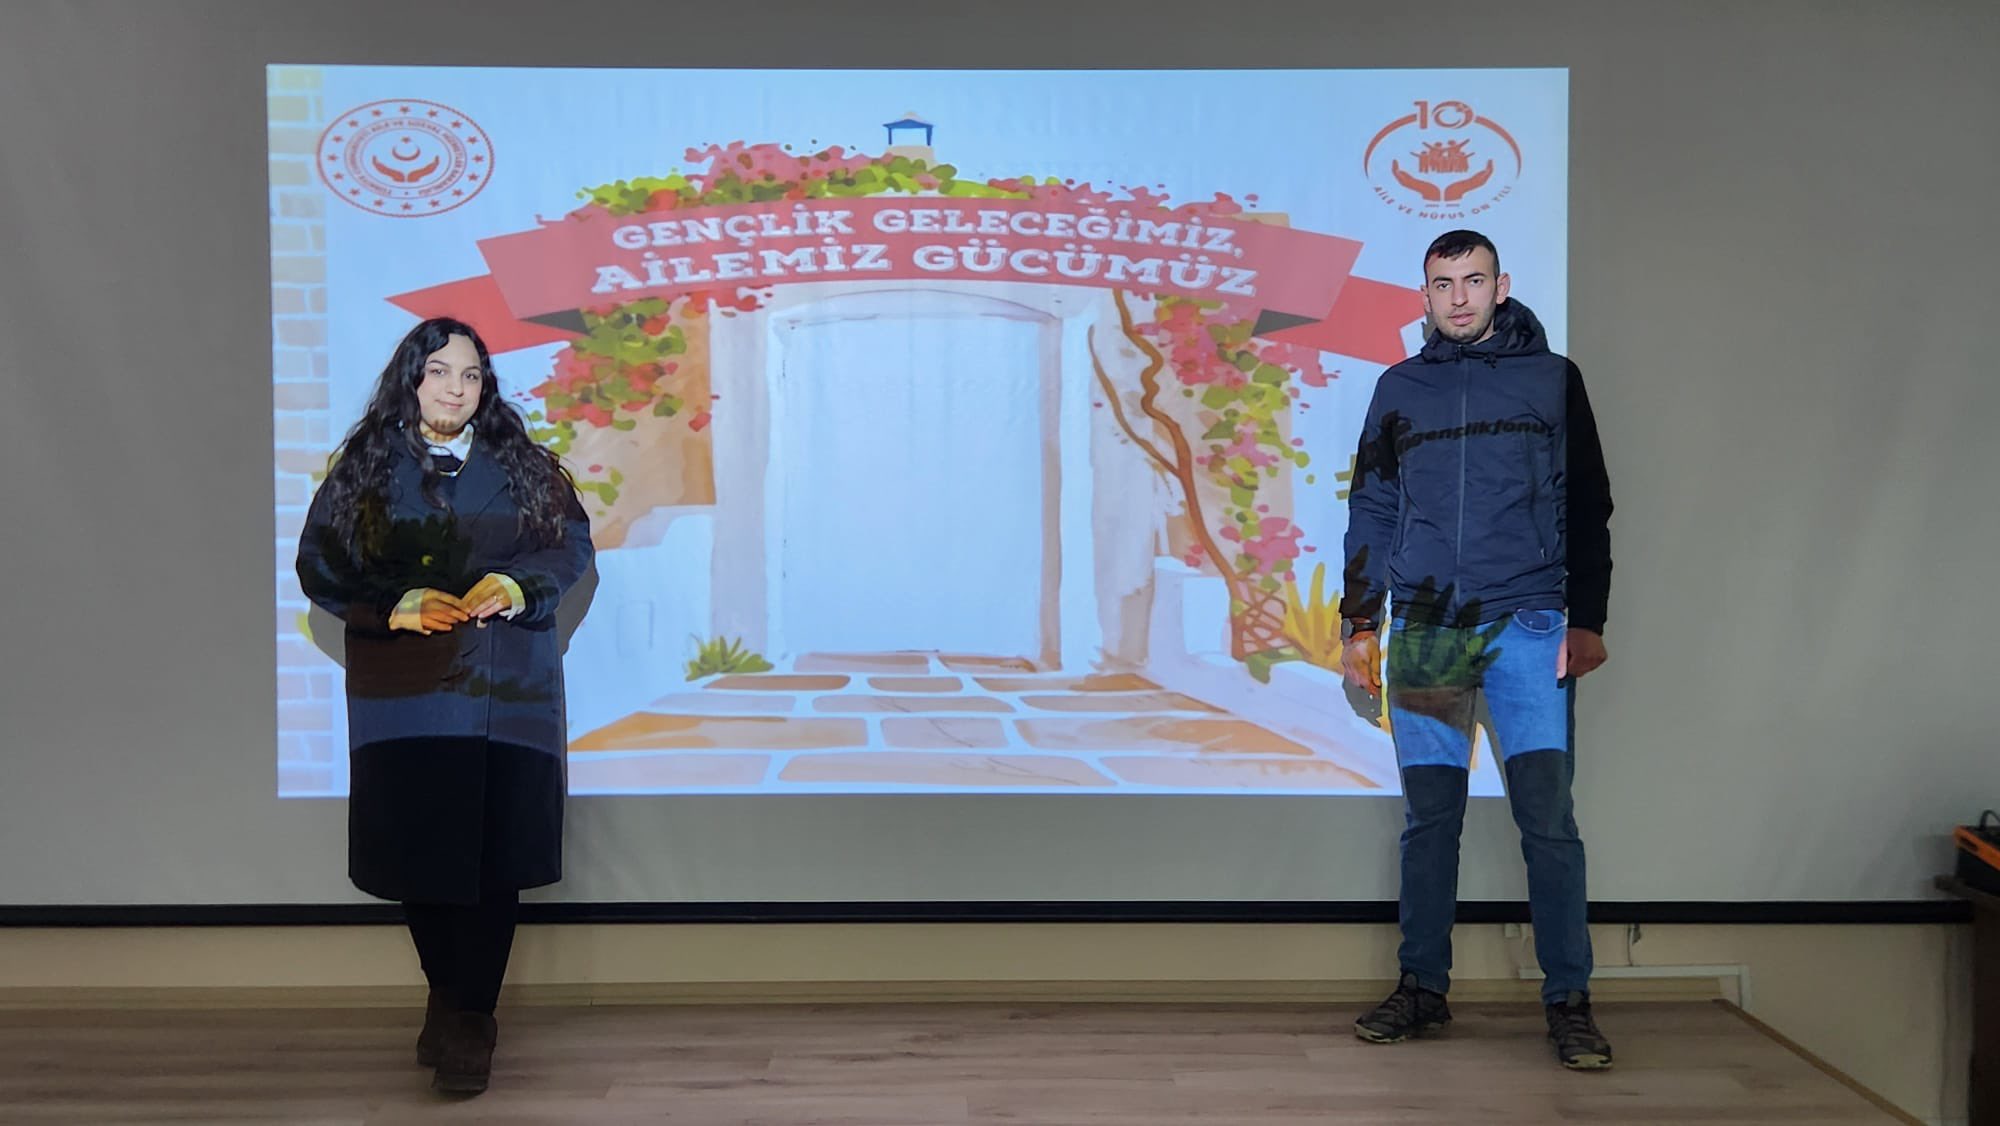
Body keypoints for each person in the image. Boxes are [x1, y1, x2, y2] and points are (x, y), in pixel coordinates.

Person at [1338, 230, 1615, 1070]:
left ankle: (1569, 1002)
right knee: (1430, 822)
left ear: (1501, 286)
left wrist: (1587, 617)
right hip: (1426, 631)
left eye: (1473, 280)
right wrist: (1360, 623)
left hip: (1529, 626)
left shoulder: (1552, 379)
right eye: (1443, 283)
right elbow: (1372, 508)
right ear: (1424, 294)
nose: (1458, 297)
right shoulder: (1398, 388)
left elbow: (1588, 502)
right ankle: (1422, 987)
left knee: (1548, 824)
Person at [296, 317, 594, 1094]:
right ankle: (450, 997)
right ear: (410, 380)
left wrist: (521, 585)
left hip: (509, 695)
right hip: (406, 695)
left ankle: (471, 1021)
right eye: (438, 373)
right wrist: (395, 604)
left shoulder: (525, 465)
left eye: (470, 375)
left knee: (496, 861)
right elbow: (320, 564)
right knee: (420, 855)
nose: (455, 389)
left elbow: (570, 546)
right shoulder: (364, 467)